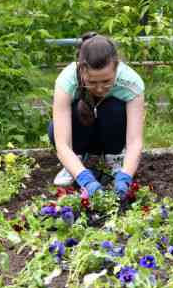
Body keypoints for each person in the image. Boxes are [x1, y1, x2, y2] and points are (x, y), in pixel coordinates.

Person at [49, 32, 145, 199]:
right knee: (55, 127)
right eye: (92, 82)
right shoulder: (66, 80)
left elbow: (135, 141)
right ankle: (75, 163)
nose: (100, 88)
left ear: (116, 67)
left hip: (112, 136)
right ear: (81, 69)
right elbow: (62, 143)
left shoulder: (131, 82)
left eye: (107, 81)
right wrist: (84, 179)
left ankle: (115, 159)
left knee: (114, 107)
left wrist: (126, 176)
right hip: (81, 136)